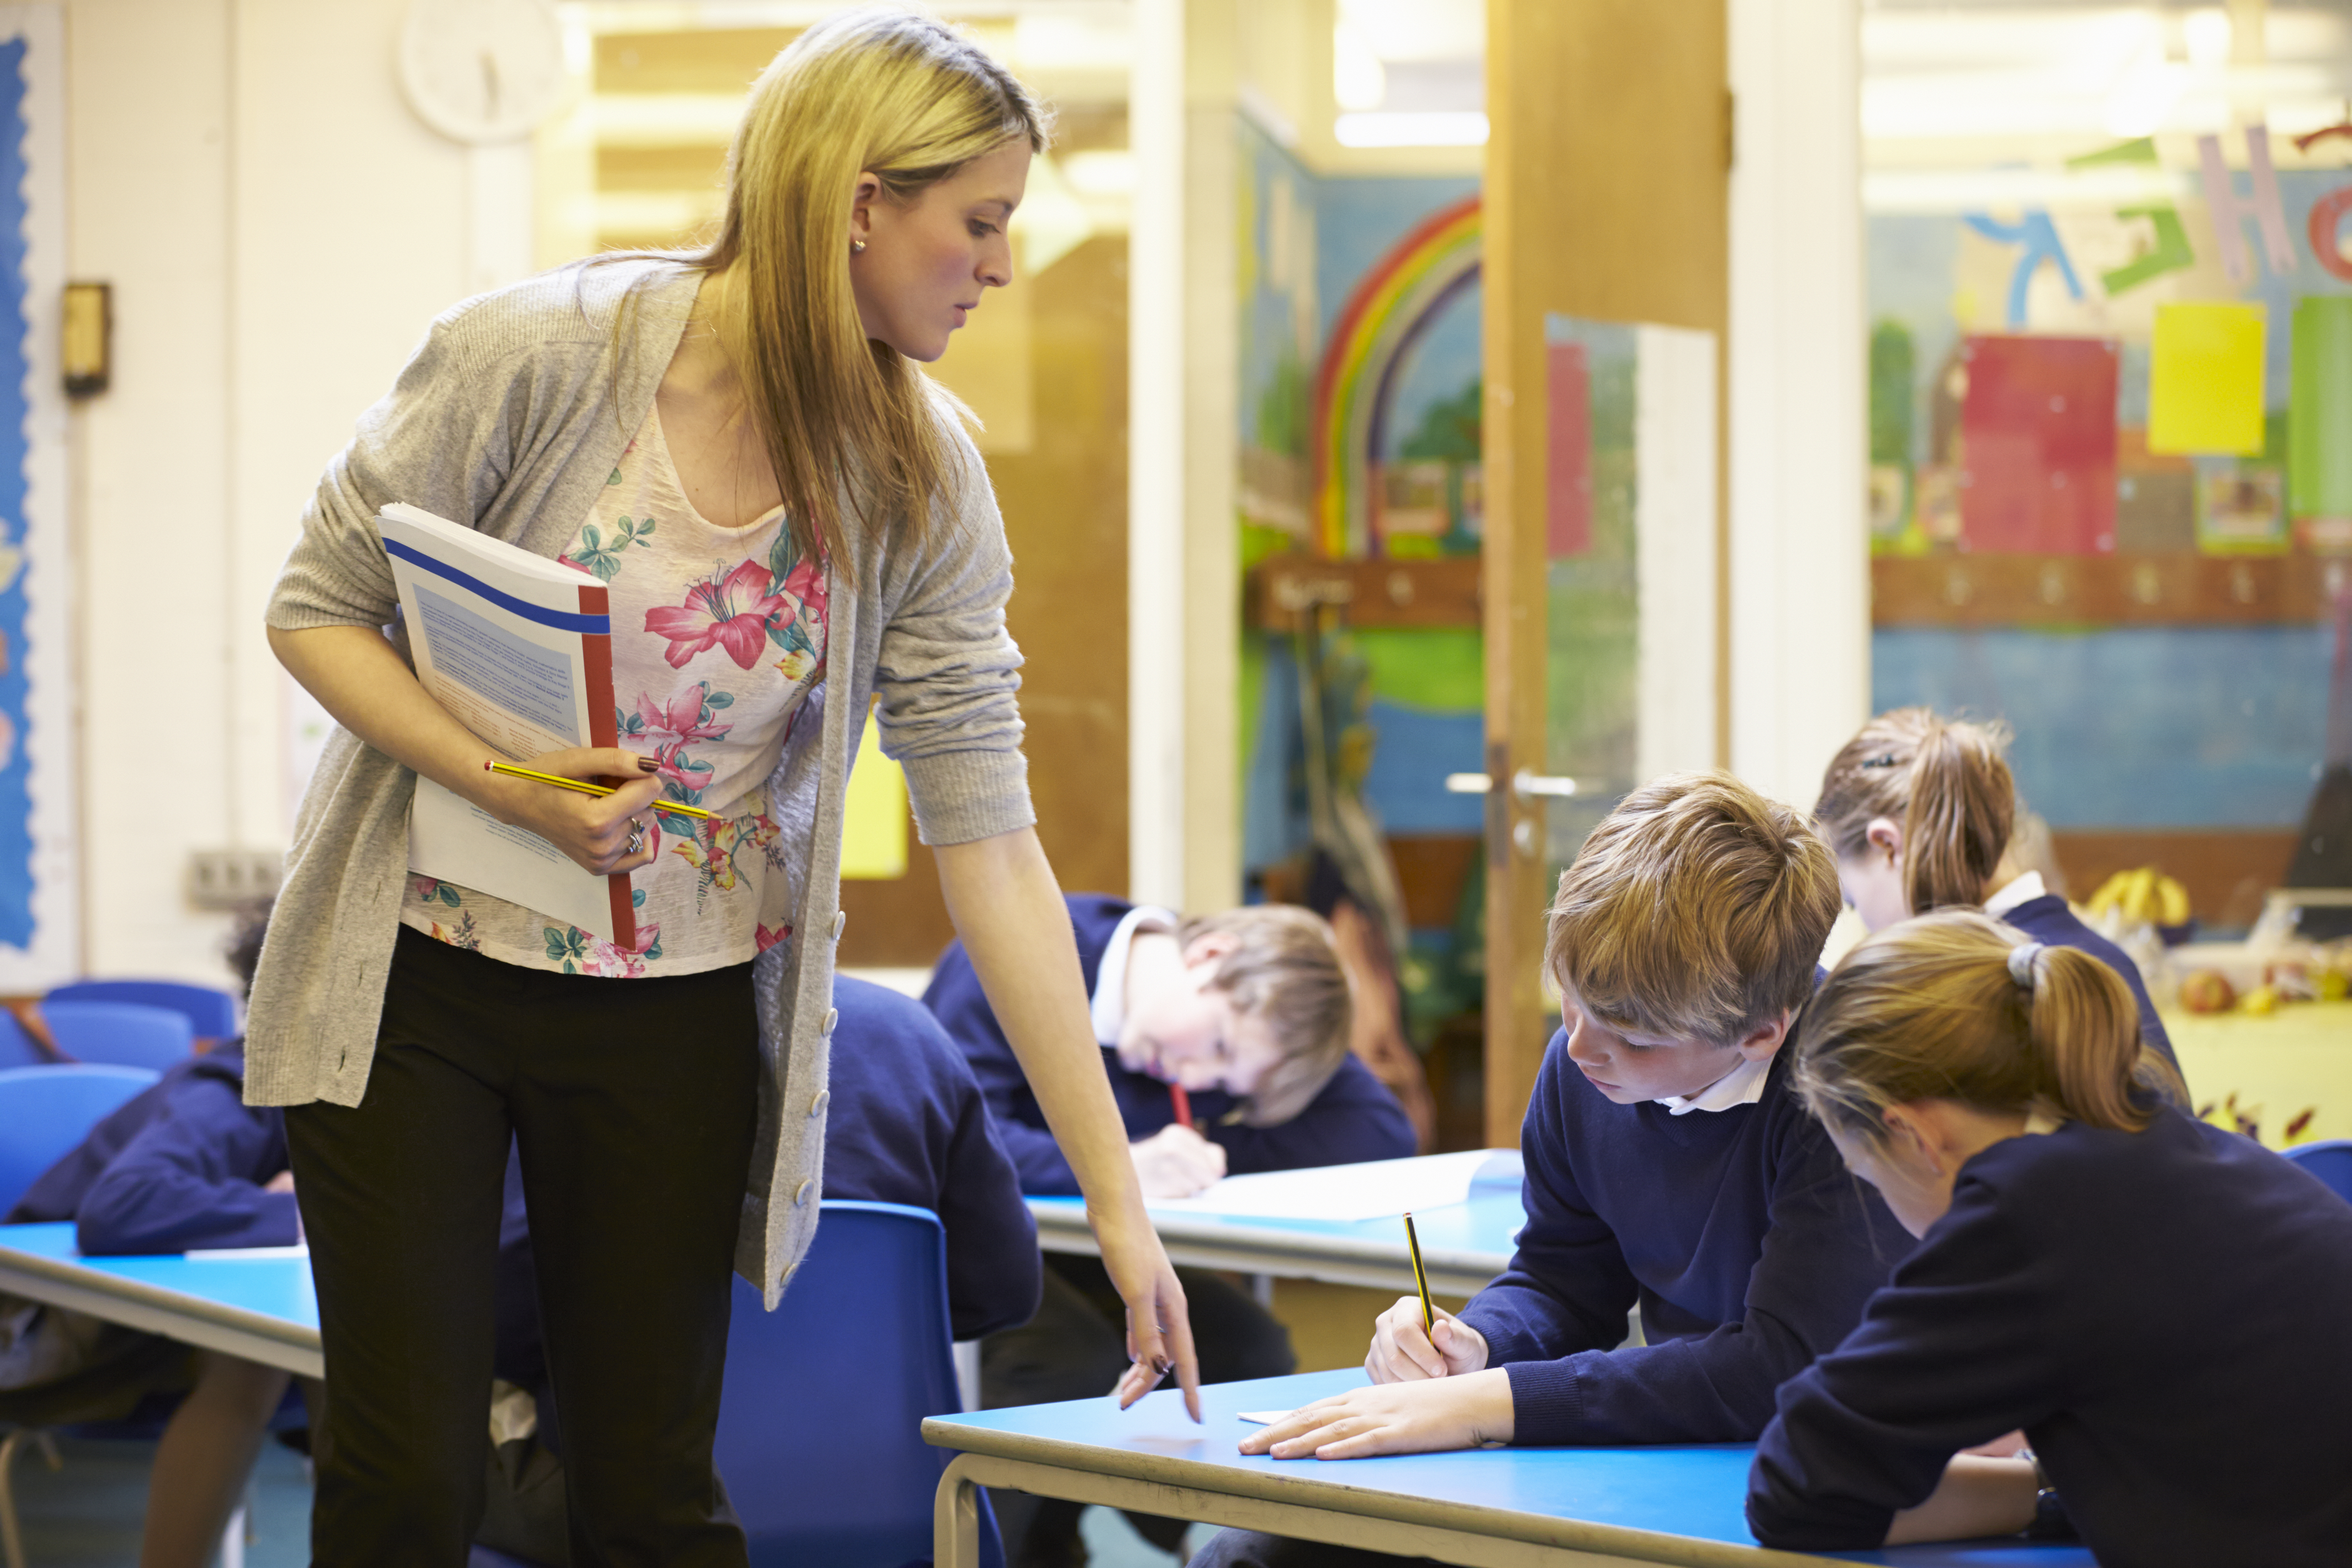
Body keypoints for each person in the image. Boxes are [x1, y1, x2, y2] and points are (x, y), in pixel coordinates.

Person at [250, 14, 1196, 1565]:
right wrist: (517, 782)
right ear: (856, 203)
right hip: (414, 973)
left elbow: (994, 843)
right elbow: (315, 607)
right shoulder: (537, 355)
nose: (1000, 266)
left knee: (652, 1489)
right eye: (980, 222)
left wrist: (1117, 1202)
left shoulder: (922, 474)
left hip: (677, 997)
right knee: (403, 1476)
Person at [1189, 774, 1912, 1568]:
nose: (1578, 1049)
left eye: (1632, 1037)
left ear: (1759, 1036)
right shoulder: (1585, 1066)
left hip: (1808, 1481)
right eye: (1568, 1001)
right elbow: (1565, 1280)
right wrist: (1478, 1346)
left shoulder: (1847, 1092)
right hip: (1657, 1452)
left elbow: (1781, 1367)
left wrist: (1491, 1401)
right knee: (1254, 1556)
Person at [1746, 911, 2352, 1563]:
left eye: (1865, 1170)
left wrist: (2025, 1479)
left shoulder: (2023, 1213)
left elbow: (1794, 1484)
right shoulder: (2163, 1137)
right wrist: (2049, 1483)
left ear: (1913, 1137)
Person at [926, 894, 1409, 1566]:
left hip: (1091, 1251)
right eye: (1215, 1048)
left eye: (1226, 1086)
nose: (1198, 1079)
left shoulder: (1232, 1034)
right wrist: (1120, 1167)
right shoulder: (1026, 943)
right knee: (1067, 1360)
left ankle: (1195, 1547)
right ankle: (1010, 1551)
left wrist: (1203, 1151)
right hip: (974, 1244)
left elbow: (1382, 1129)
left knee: (1247, 1348)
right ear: (1211, 958)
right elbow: (957, 1135)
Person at [1815, 706, 2180, 1075]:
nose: (1866, 923)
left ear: (1887, 846)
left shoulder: (1969, 997)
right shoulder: (2106, 961)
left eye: (1852, 901)